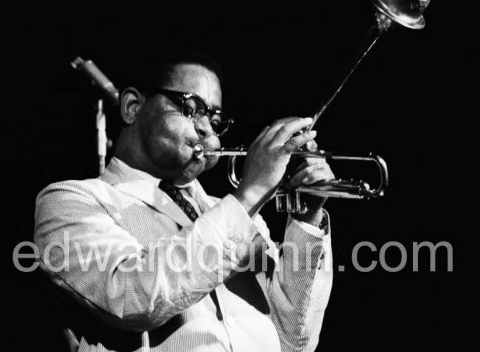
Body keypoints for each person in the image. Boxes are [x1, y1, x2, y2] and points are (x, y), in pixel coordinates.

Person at [35, 47, 335, 352]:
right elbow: (131, 297)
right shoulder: (70, 200)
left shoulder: (244, 217)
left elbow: (294, 341)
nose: (206, 128)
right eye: (192, 108)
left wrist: (306, 220)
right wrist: (251, 194)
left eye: (216, 120)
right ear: (132, 107)